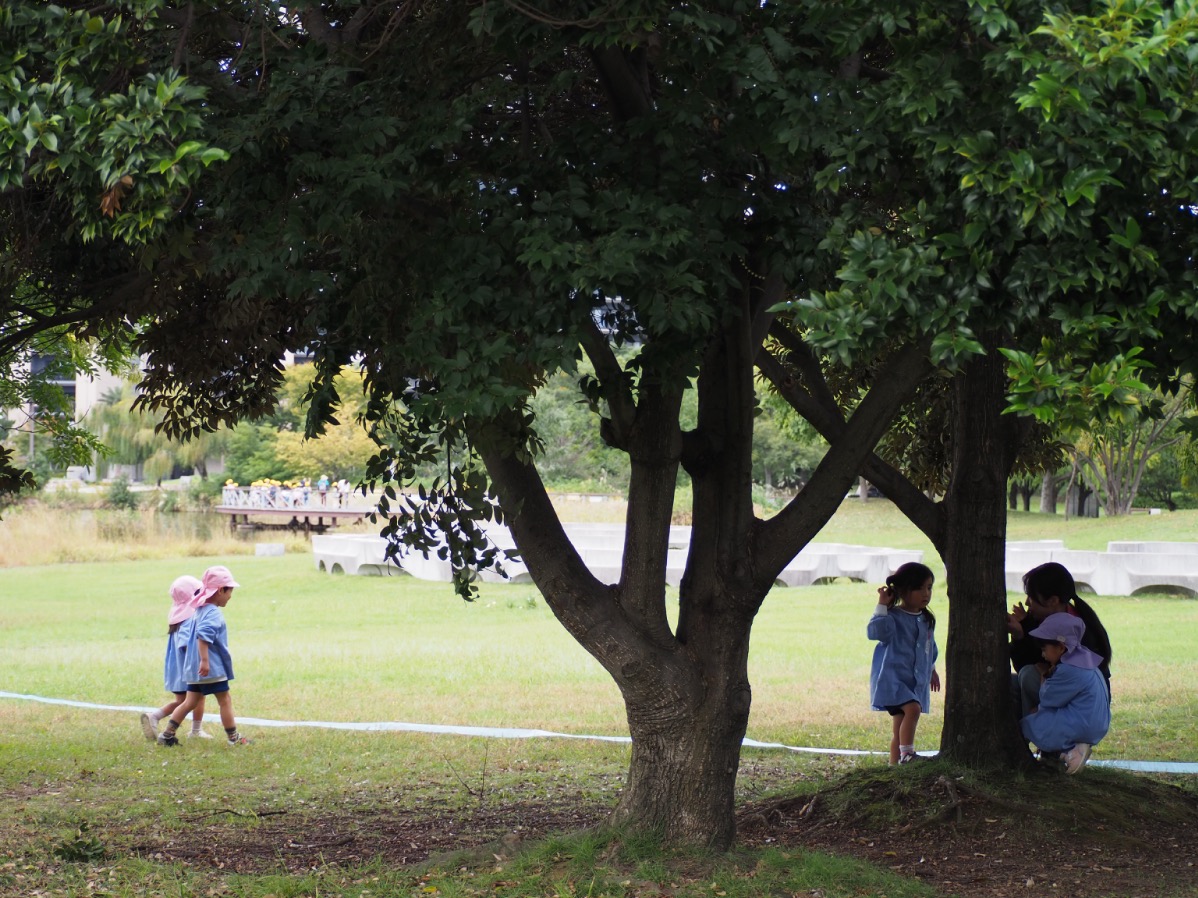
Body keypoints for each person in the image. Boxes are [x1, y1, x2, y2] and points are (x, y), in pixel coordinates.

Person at [157, 565, 251, 747]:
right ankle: (233, 738)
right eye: (230, 591)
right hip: (211, 669)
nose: (230, 596)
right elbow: (203, 636)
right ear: (220, 590)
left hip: (193, 669)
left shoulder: (198, 610)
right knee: (225, 700)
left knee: (189, 702)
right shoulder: (213, 613)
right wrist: (205, 661)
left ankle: (167, 735)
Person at [1009, 562, 1111, 719]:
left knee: (1029, 676)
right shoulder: (1041, 620)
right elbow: (1024, 665)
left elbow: (1067, 680)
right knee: (1010, 683)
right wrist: (1020, 634)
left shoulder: (1076, 630)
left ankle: (1035, 727)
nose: (1027, 603)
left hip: (1082, 706)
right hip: (1064, 691)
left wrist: (1044, 671)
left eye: (1032, 597)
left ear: (1053, 601)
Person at [868, 561, 941, 765]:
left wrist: (932, 669)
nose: (925, 593)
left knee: (898, 728)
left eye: (929, 587)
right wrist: (882, 606)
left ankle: (894, 767)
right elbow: (876, 632)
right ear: (902, 590)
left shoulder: (926, 619)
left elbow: (930, 648)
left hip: (914, 682)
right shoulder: (892, 617)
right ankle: (907, 754)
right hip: (894, 680)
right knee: (913, 709)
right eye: (918, 588)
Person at [1019, 612, 1110, 774]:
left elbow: (1048, 698)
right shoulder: (1084, 661)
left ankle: (1070, 752)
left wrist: (1044, 677)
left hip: (1083, 725)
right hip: (1095, 723)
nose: (1043, 655)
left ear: (1061, 647)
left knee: (1027, 725)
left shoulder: (1068, 669)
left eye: (1044, 649)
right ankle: (1070, 750)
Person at [140, 574, 210, 740]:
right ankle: (193, 730)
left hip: (177, 672)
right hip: (187, 671)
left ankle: (157, 717)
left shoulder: (178, 619)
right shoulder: (189, 620)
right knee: (196, 699)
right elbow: (185, 643)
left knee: (183, 701)